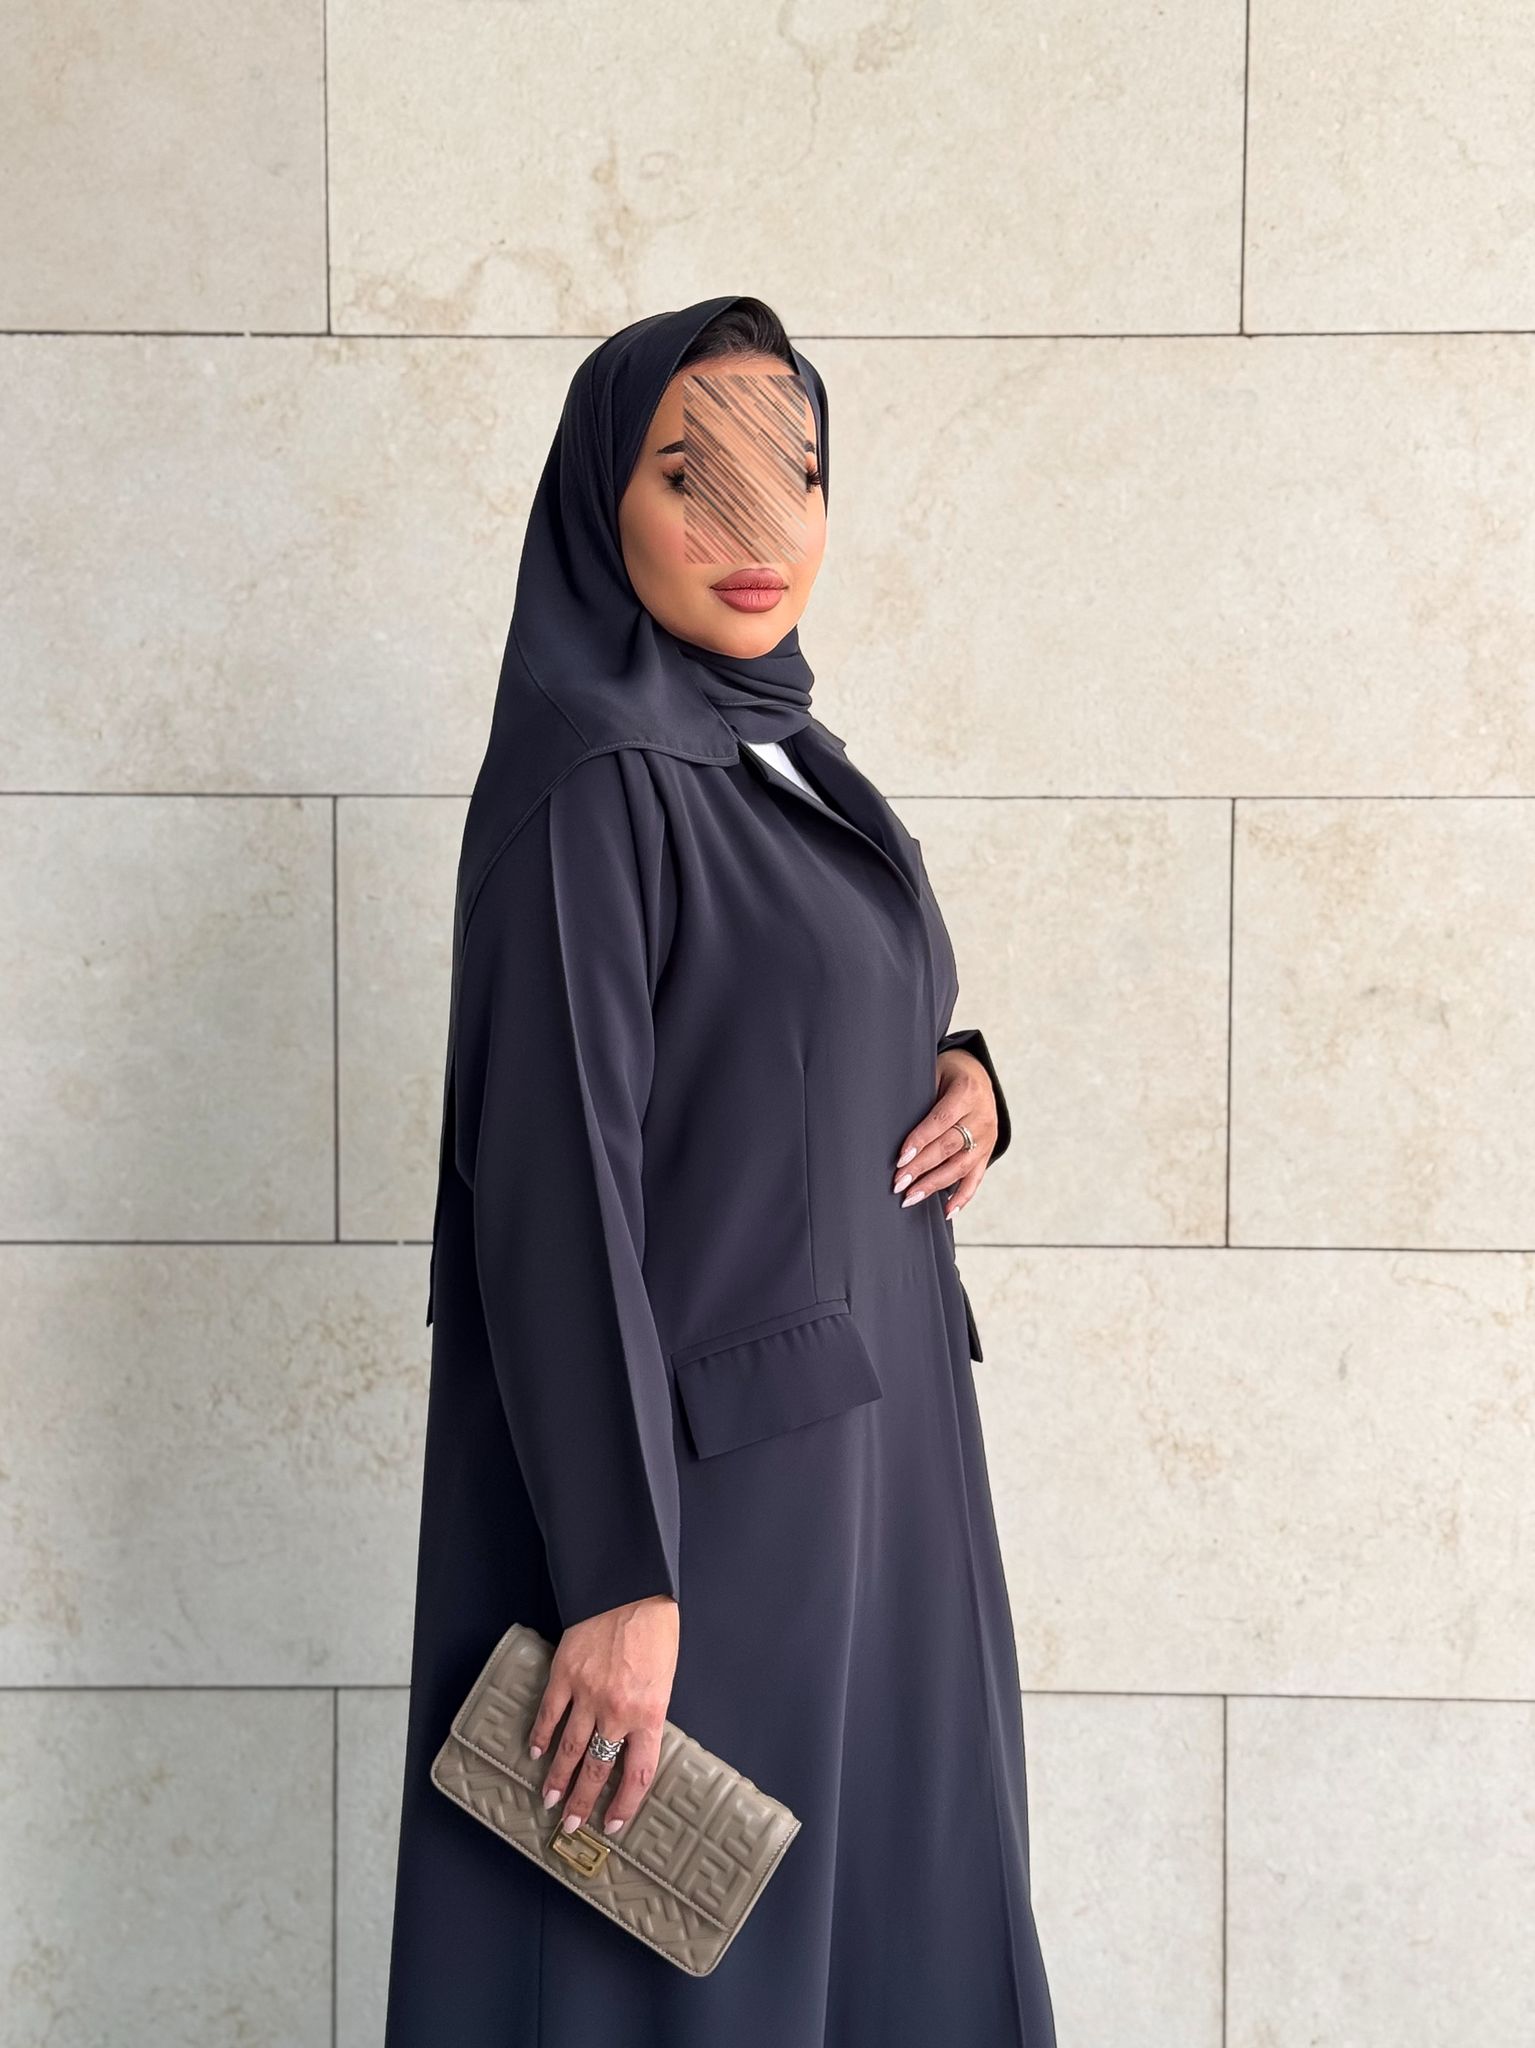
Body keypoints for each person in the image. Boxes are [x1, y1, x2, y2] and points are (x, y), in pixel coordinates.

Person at [383, 292, 1057, 2046]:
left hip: (884, 1477)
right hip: (715, 1515)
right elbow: (552, 1188)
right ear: (600, 499)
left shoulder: (775, 753)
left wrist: (965, 1074)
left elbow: (796, 1014)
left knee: (894, 1943)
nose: (760, 529)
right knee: (695, 1978)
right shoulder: (595, 776)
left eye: (796, 474)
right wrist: (619, 1573)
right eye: (695, 478)